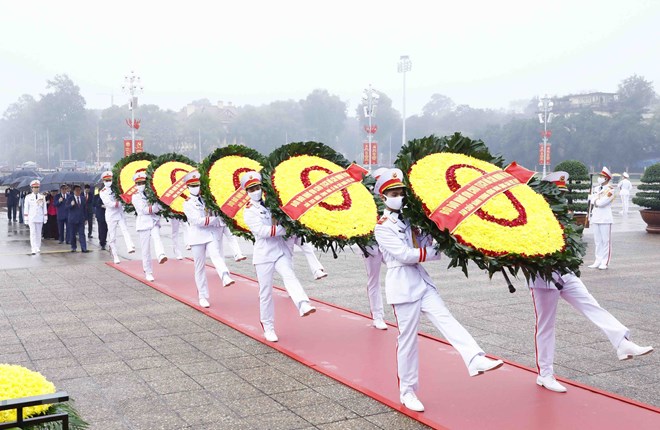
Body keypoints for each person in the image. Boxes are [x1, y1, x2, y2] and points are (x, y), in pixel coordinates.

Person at [374, 168, 503, 412]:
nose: (399, 196)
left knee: (446, 319)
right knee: (408, 341)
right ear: (383, 197)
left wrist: (436, 234)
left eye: (401, 192)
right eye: (393, 192)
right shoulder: (382, 226)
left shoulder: (411, 219)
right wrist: (433, 252)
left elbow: (420, 244)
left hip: (422, 282)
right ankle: (408, 392)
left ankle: (475, 358)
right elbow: (403, 255)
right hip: (402, 286)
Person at [530, 171, 653, 393]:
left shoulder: (561, 213)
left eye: (562, 192)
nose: (561, 196)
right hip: (543, 278)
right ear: (546, 192)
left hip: (565, 272)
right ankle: (545, 374)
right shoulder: (533, 214)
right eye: (557, 192)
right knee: (546, 326)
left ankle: (622, 343)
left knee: (591, 304)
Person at [241, 171, 316, 343]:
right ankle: (268, 327)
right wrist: (285, 229)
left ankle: (303, 303)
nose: (256, 191)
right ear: (247, 191)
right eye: (252, 189)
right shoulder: (249, 211)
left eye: (258, 187)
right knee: (265, 292)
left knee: (290, 275)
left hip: (279, 250)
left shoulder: (270, 204)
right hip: (263, 255)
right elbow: (262, 231)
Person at [181, 171, 235, 308]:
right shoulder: (187, 203)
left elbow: (214, 211)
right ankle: (202, 296)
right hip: (197, 237)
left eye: (197, 185)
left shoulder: (206, 199)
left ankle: (225, 276)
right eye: (192, 185)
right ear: (187, 187)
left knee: (216, 255)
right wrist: (214, 219)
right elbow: (197, 221)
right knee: (199, 267)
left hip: (209, 234)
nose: (195, 187)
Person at [363, 167, 390, 330]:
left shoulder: (395, 197)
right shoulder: (367, 199)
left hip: (388, 244)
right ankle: (377, 316)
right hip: (371, 244)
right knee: (374, 279)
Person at [131, 169, 167, 281]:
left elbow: (158, 205)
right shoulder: (135, 196)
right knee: (145, 249)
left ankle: (161, 255)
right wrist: (156, 208)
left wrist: (160, 206)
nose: (141, 185)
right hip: (143, 223)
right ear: (136, 184)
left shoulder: (151, 193)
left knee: (157, 237)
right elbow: (143, 210)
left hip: (154, 221)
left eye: (142, 183)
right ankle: (148, 271)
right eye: (139, 183)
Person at [99, 171, 136, 264]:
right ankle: (115, 256)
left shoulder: (116, 188)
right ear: (103, 181)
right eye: (106, 180)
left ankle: (130, 246)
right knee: (112, 236)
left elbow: (123, 195)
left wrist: (123, 201)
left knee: (125, 229)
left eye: (110, 180)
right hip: (111, 215)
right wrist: (120, 202)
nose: (108, 181)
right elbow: (109, 204)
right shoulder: (102, 192)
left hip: (119, 213)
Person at [588, 167, 616, 270]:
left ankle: (605, 262)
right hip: (596, 217)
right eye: (600, 176)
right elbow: (594, 200)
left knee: (605, 241)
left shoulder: (611, 190)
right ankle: (597, 260)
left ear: (607, 179)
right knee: (598, 241)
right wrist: (594, 199)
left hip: (605, 218)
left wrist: (593, 200)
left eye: (602, 176)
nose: (600, 178)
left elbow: (601, 203)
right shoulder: (596, 188)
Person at [23, 180, 48, 254]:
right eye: (35, 187)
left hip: (39, 217)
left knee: (38, 233)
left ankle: (37, 247)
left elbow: (44, 208)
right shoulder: (28, 197)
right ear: (32, 188)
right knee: (33, 233)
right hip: (32, 218)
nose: (36, 189)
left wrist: (45, 217)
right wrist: (26, 219)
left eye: (37, 187)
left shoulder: (42, 197)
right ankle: (33, 248)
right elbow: (26, 208)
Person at [66, 185, 89, 253]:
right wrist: (71, 205)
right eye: (76, 190)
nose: (78, 191)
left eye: (79, 190)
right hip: (72, 219)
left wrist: (86, 218)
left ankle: (84, 248)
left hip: (81, 219)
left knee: (82, 234)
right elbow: (66, 207)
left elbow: (85, 209)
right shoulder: (70, 198)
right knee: (73, 234)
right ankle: (73, 247)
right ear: (73, 191)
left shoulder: (83, 198)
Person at [93, 184, 108, 250]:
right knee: (101, 228)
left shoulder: (107, 196)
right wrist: (101, 205)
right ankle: (102, 242)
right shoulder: (97, 196)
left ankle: (104, 239)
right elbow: (94, 204)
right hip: (100, 214)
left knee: (106, 228)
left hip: (107, 214)